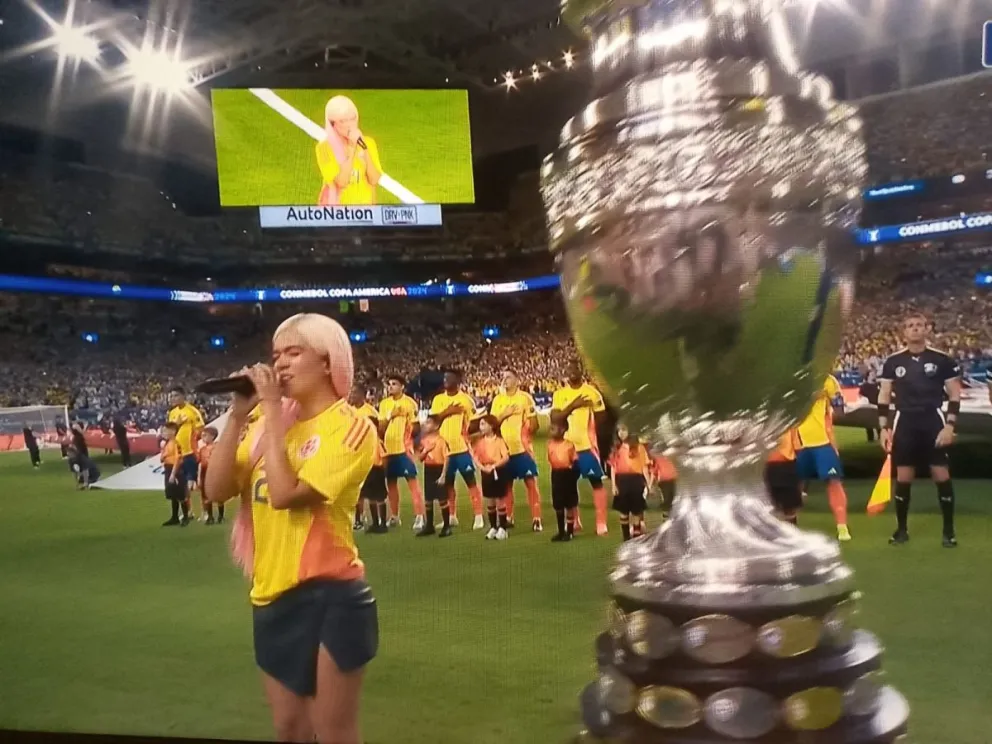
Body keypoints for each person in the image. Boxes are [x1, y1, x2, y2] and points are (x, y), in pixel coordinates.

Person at [204, 313, 378, 744]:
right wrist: (238, 417)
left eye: (293, 353)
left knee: (332, 731)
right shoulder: (267, 426)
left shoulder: (350, 427)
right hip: (271, 594)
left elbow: (284, 493)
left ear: (326, 361)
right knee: (289, 730)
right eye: (276, 354)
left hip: (331, 594)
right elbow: (217, 488)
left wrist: (269, 412)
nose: (279, 364)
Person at [878, 312, 962, 548]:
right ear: (904, 332)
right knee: (903, 477)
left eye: (919, 325)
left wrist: (950, 425)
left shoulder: (942, 360)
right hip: (905, 421)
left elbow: (955, 393)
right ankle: (901, 530)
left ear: (927, 329)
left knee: (941, 474)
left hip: (932, 421)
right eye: (910, 326)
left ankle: (948, 531)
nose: (915, 329)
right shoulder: (893, 362)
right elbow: (884, 395)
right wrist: (884, 428)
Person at [551, 361, 609, 535]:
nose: (572, 372)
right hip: (566, 448)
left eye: (575, 369)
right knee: (569, 486)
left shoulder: (592, 393)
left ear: (581, 371)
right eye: (569, 369)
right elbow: (555, 418)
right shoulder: (560, 394)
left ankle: (601, 522)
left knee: (596, 483)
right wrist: (573, 406)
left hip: (587, 447)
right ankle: (575, 521)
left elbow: (602, 417)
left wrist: (590, 433)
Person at [794, 374, 852, 542]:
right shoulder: (793, 377)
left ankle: (842, 527)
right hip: (796, 441)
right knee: (793, 484)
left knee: (834, 481)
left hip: (822, 442)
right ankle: (790, 526)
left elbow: (840, 408)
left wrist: (830, 399)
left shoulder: (828, 380)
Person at [430, 370, 485, 530]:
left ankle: (478, 516)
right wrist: (447, 412)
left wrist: (469, 434)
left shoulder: (466, 400)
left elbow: (474, 423)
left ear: (457, 380)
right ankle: (452, 516)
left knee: (471, 482)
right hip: (444, 450)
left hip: (461, 449)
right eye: (445, 377)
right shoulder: (438, 399)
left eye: (449, 377)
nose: (446, 380)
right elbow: (432, 422)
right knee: (447, 484)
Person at [490, 370, 543, 532]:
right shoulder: (498, 400)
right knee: (506, 486)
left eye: (508, 377)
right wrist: (504, 415)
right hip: (504, 452)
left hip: (522, 450)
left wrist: (527, 428)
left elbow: (535, 425)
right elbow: (491, 425)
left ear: (517, 380)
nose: (504, 380)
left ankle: (536, 518)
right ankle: (508, 517)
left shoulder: (525, 398)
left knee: (531, 484)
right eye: (503, 377)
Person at [377, 375, 426, 531]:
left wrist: (408, 435)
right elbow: (380, 429)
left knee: (412, 483)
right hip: (387, 451)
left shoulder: (409, 403)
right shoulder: (384, 404)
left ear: (402, 387)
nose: (390, 387)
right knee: (390, 485)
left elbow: (417, 428)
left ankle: (420, 516)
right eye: (389, 384)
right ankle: (394, 516)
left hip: (403, 450)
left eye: (394, 384)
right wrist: (391, 415)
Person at [316, 95, 382, 206]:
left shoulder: (368, 143)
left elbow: (374, 180)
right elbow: (341, 182)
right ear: (333, 124)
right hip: (337, 214)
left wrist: (365, 149)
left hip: (365, 213)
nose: (349, 124)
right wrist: (352, 149)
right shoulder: (324, 148)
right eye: (343, 121)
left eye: (353, 118)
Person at [472, 415, 511, 540]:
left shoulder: (499, 441)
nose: (481, 427)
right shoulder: (480, 442)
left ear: (492, 426)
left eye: (483, 424)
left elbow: (505, 457)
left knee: (500, 500)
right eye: (480, 424)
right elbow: (476, 457)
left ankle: (503, 528)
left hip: (498, 472)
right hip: (486, 472)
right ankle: (493, 527)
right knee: (490, 501)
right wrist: (483, 468)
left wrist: (494, 465)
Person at [166, 386, 206, 509]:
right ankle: (188, 512)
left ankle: (203, 510)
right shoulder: (172, 413)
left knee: (193, 482)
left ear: (183, 396)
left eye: (176, 395)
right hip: (176, 454)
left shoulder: (192, 411)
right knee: (181, 484)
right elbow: (169, 431)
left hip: (189, 452)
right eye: (171, 396)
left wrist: (193, 440)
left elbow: (200, 429)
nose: (173, 398)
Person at [609, 424, 650, 541]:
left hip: (636, 481)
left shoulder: (639, 447)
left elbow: (644, 467)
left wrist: (648, 484)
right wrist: (613, 485)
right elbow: (613, 467)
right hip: (622, 481)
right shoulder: (617, 448)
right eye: (619, 431)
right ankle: (626, 537)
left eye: (624, 430)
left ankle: (637, 537)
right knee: (623, 510)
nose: (621, 433)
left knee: (636, 511)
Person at [416, 415, 452, 537]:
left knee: (442, 498)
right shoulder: (424, 440)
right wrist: (426, 451)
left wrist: (443, 475)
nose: (425, 425)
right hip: (428, 469)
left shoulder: (441, 441)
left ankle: (447, 526)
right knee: (428, 499)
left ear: (436, 426)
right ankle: (429, 525)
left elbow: (447, 458)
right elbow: (420, 458)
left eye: (429, 422)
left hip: (439, 469)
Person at [351, 389, 380, 531]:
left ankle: (374, 519)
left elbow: (379, 430)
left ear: (362, 396)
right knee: (357, 491)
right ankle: (359, 519)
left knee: (371, 492)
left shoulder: (371, 411)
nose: (352, 396)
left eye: (355, 393)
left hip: (369, 456)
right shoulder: (348, 411)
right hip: (354, 456)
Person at [547, 414, 579, 542]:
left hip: (567, 474)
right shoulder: (549, 444)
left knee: (569, 504)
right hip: (556, 474)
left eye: (554, 428)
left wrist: (573, 475)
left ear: (563, 429)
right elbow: (550, 459)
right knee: (558, 504)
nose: (551, 431)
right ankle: (560, 531)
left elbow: (575, 461)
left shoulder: (569, 445)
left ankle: (569, 531)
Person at [765, 428, 803, 525]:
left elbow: (798, 447)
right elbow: (798, 448)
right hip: (779, 466)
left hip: (784, 465)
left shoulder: (790, 427)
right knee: (783, 505)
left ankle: (790, 529)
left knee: (787, 505)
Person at [161, 422, 190, 527]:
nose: (164, 433)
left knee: (180, 494)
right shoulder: (167, 443)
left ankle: (186, 517)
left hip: (175, 470)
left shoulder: (176, 443)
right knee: (172, 494)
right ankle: (174, 517)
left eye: (166, 430)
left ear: (173, 431)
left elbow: (178, 459)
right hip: (168, 468)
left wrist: (173, 473)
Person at [198, 426, 223, 525]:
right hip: (205, 471)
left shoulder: (217, 446)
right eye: (202, 436)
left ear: (212, 436)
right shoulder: (202, 449)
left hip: (214, 470)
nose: (203, 438)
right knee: (205, 494)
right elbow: (200, 463)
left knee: (218, 493)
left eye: (205, 435)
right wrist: (199, 477)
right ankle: (210, 516)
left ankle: (220, 516)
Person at [652, 453, 677, 518]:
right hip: (664, 480)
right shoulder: (657, 460)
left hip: (671, 478)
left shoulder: (667, 459)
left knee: (672, 495)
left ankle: (667, 510)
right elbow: (653, 471)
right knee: (667, 496)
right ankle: (665, 512)